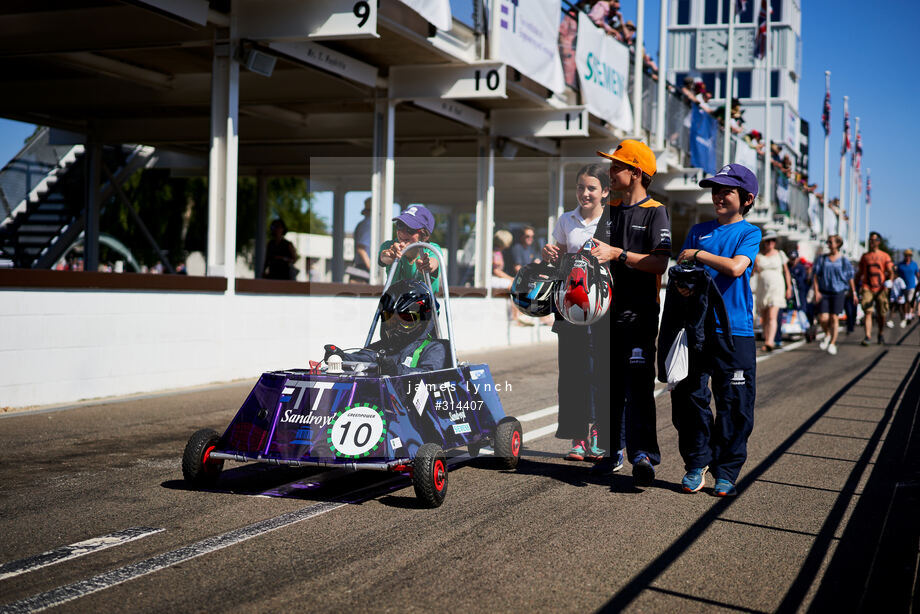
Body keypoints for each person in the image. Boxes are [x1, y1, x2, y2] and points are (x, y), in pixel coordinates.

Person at [673, 163, 762, 497]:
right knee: (689, 397)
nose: (718, 196)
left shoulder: (749, 233)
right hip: (697, 327)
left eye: (727, 190)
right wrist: (683, 282)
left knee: (735, 403)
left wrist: (698, 254)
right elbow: (685, 272)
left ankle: (726, 470)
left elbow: (737, 268)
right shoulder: (698, 230)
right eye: (715, 189)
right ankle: (697, 462)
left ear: (747, 198)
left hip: (735, 331)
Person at [590, 140, 671, 487]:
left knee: (638, 387)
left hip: (640, 314)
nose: (610, 172)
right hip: (606, 313)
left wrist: (619, 254)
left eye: (616, 166)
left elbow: (660, 262)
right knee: (608, 387)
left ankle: (644, 456)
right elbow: (594, 256)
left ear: (636, 172)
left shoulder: (657, 211)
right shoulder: (610, 211)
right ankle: (612, 452)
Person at [542, 163, 610, 462]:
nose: (585, 193)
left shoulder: (611, 221)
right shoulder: (566, 220)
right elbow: (555, 259)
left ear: (605, 192)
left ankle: (598, 433)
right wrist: (549, 254)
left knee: (597, 372)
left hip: (601, 306)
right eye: (581, 187)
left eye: (592, 188)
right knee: (571, 373)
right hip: (569, 305)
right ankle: (577, 437)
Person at [328, 279, 446, 376]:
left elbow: (430, 375)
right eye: (391, 319)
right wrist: (341, 357)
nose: (396, 326)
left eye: (405, 319)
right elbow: (364, 358)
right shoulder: (384, 347)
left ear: (422, 320)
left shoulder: (434, 348)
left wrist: (396, 371)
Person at [378, 205, 441, 292]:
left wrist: (427, 265)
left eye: (410, 229)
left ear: (424, 236)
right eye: (400, 225)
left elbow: (434, 262)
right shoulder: (390, 246)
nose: (403, 232)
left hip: (423, 303)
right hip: (396, 303)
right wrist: (390, 255)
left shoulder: (432, 249)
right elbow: (384, 258)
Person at [812, 235, 856, 356]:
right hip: (824, 291)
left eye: (831, 242)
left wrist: (854, 292)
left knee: (834, 318)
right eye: (828, 242)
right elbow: (815, 275)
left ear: (838, 244)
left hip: (839, 291)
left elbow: (850, 276)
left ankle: (832, 343)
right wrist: (816, 291)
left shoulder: (843, 260)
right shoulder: (822, 259)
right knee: (823, 318)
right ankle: (827, 334)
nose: (829, 244)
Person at [753, 230, 792, 352]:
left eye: (773, 240)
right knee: (764, 316)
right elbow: (753, 272)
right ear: (764, 242)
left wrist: (789, 287)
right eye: (768, 241)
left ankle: (770, 341)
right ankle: (766, 339)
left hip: (777, 288)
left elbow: (786, 272)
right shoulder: (758, 256)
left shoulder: (780, 254)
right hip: (762, 288)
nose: (770, 243)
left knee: (772, 316)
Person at [857, 231, 894, 346]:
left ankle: (881, 332)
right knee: (868, 311)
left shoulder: (884, 256)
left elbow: (890, 271)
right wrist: (854, 287)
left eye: (874, 240)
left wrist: (889, 282)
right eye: (870, 240)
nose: (872, 242)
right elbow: (860, 272)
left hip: (881, 287)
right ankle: (868, 336)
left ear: (879, 242)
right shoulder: (865, 257)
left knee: (881, 313)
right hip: (867, 286)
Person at [348, 198, 372, 283]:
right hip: (364, 270)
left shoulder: (362, 223)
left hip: (361, 267)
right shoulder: (369, 224)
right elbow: (361, 248)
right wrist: (371, 270)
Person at [895, 249, 919, 326]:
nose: (908, 257)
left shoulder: (914, 264)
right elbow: (896, 275)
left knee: (910, 300)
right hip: (902, 286)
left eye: (909, 255)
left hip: (912, 286)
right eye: (906, 255)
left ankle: (910, 314)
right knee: (904, 302)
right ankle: (906, 314)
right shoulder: (901, 265)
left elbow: (917, 274)